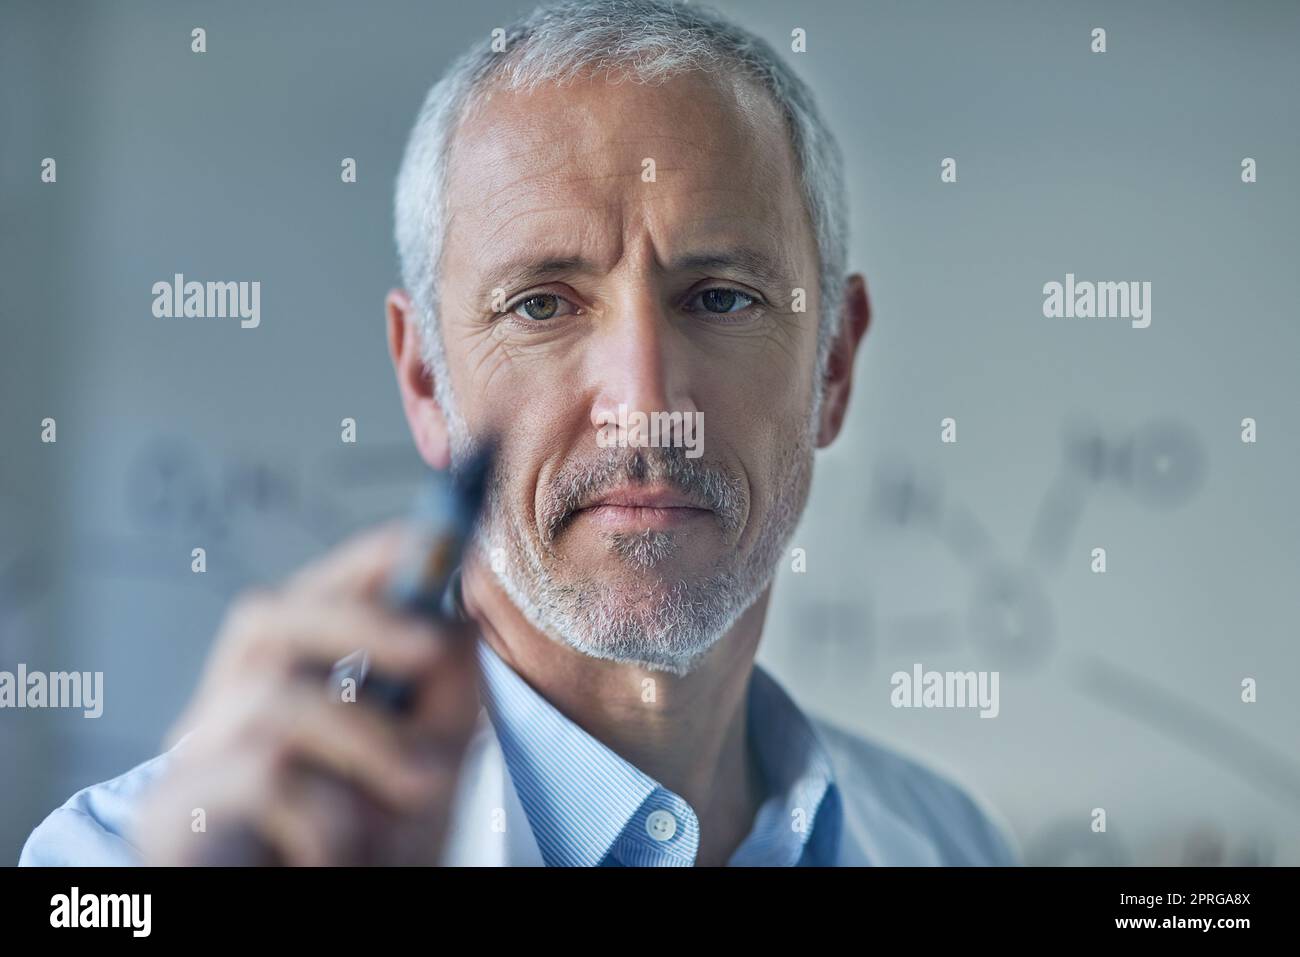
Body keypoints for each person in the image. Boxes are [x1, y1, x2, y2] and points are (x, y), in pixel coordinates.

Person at [20, 0, 1018, 867]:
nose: (641, 403)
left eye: (719, 297)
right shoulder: (122, 863)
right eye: (542, 306)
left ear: (833, 366)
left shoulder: (952, 842)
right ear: (425, 378)